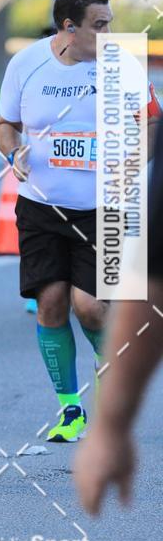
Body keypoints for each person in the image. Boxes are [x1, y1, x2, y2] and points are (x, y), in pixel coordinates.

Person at [0, 0, 157, 442]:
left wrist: (135, 159)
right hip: (42, 207)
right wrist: (13, 153)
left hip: (106, 207)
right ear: (69, 28)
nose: (109, 35)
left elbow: (151, 118)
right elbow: (6, 124)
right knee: (50, 303)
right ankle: (71, 410)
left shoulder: (120, 65)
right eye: (100, 26)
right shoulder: (26, 64)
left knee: (90, 307)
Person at [74, 116, 163, 513]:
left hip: (110, 207)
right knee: (80, 303)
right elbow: (152, 280)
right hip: (69, 209)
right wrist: (110, 427)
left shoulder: (126, 73)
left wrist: (111, 427)